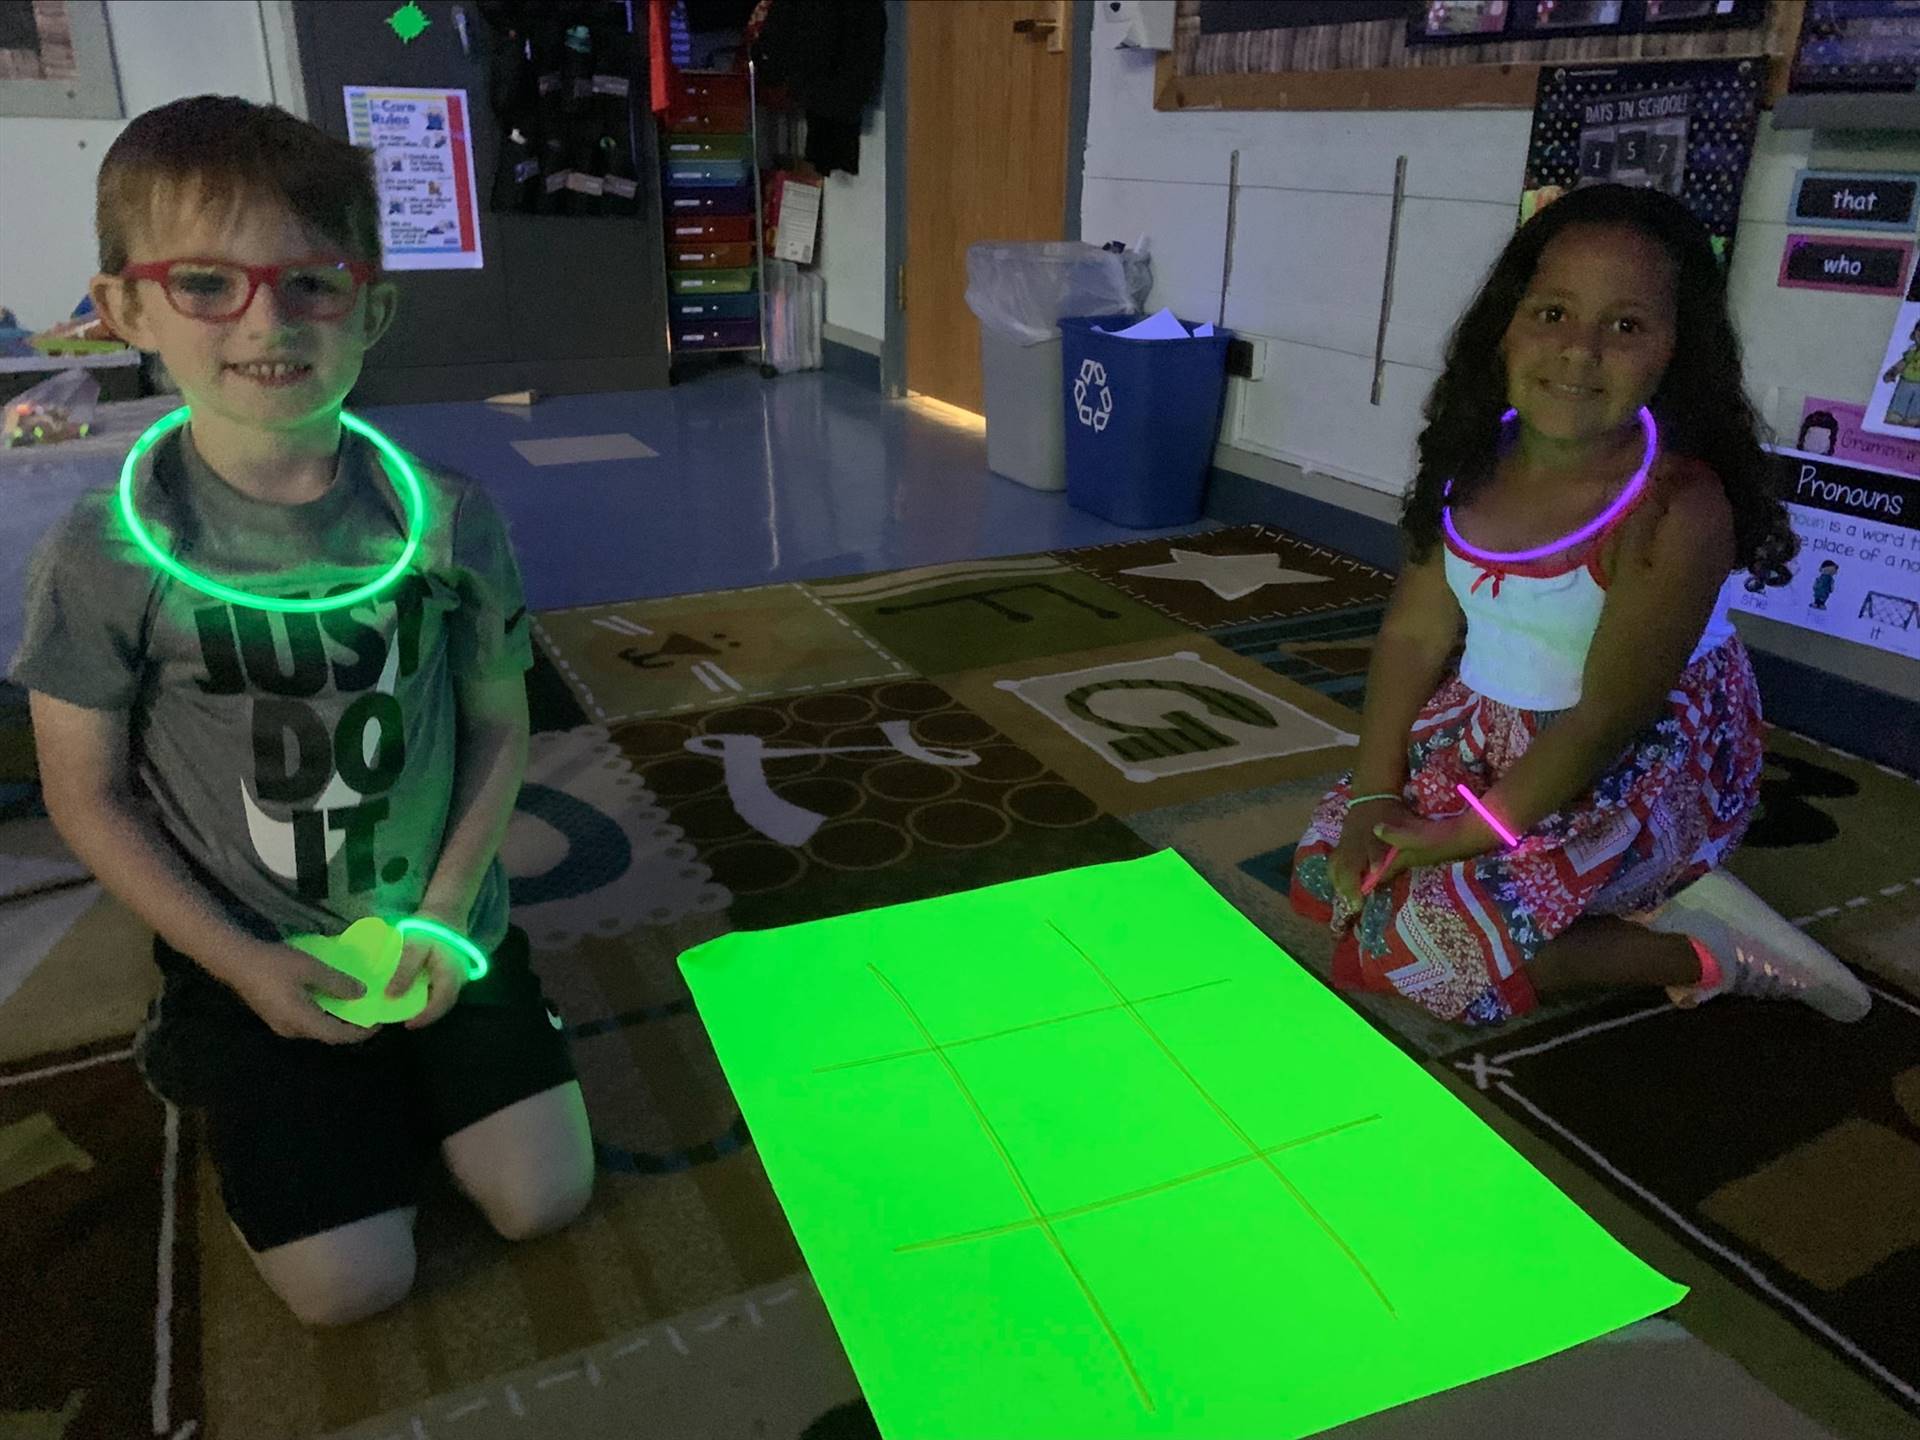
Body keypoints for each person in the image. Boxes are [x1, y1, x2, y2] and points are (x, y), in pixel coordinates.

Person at [11, 96, 593, 1326]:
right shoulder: (105, 553)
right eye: (208, 283)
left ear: (371, 308)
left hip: (438, 927)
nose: (268, 321)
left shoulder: (445, 515)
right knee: (349, 1288)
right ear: (125, 310)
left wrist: (446, 920)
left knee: (543, 1201)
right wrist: (241, 963)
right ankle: (226, 1056)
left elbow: (498, 726)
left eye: (313, 284)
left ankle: (433, 1058)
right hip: (253, 949)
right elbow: (85, 791)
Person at [1289, 184, 1869, 1027]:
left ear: (1676, 349)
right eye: (1553, 313)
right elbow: (1415, 635)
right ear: (1507, 324)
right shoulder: (1470, 461)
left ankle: (1705, 952)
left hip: (1633, 766)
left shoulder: (1675, 506)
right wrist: (1377, 796)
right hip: (1492, 732)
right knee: (1332, 880)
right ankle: (1578, 900)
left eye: (1626, 327)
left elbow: (1605, 717)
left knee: (1410, 956)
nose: (1580, 352)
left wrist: (1472, 835)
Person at [1882, 320, 1920, 428]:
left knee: (1916, 410)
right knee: (1898, 407)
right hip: (1905, 383)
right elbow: (1903, 362)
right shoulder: (1912, 350)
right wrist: (1893, 372)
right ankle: (1894, 418)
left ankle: (1913, 420)